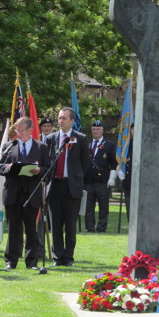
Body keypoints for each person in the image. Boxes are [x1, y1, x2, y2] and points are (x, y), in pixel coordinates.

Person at [0, 116, 50, 270]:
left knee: (31, 229)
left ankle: (32, 262)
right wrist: (10, 167)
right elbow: (0, 167)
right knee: (14, 228)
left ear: (30, 130)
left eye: (21, 131)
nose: (18, 134)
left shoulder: (41, 147)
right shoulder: (9, 145)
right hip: (13, 192)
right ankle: (10, 261)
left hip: (31, 193)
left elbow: (49, 169)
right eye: (17, 131)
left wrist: (39, 170)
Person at [46, 107, 89, 266]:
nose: (61, 121)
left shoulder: (80, 139)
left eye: (64, 118)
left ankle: (68, 257)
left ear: (72, 121)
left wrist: (75, 177)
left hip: (72, 186)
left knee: (70, 225)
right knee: (55, 224)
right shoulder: (51, 139)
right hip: (55, 185)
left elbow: (85, 163)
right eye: (59, 118)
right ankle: (57, 257)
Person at [84, 120, 117, 233]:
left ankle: (101, 228)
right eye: (93, 129)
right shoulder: (87, 144)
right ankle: (90, 228)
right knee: (89, 206)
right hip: (88, 181)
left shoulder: (109, 145)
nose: (95, 131)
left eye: (98, 129)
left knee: (103, 207)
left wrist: (112, 178)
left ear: (102, 130)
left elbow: (114, 163)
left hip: (103, 181)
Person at [121, 123, 134, 222]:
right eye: (132, 129)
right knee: (129, 203)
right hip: (128, 179)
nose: (134, 132)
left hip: (139, 180)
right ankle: (131, 222)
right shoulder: (127, 145)